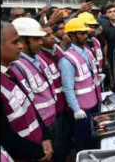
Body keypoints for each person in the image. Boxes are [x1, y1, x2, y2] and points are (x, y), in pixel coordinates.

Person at [1, 21, 53, 161]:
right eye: (15, 42)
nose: (20, 46)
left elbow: (31, 108)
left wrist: (45, 137)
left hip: (39, 144)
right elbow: (6, 136)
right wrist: (37, 152)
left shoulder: (10, 73)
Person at [58, 18, 102, 152]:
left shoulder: (87, 50)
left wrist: (98, 79)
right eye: (81, 33)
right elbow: (67, 88)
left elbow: (89, 73)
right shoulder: (67, 60)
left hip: (94, 102)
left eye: (85, 33)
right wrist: (76, 109)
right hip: (82, 109)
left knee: (95, 137)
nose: (85, 35)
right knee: (83, 140)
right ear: (71, 36)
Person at [37, 26, 71, 161]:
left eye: (52, 34)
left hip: (64, 104)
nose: (52, 37)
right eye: (47, 35)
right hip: (52, 111)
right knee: (56, 144)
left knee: (65, 138)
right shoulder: (38, 58)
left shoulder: (57, 49)